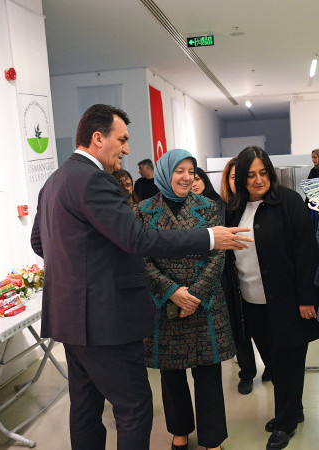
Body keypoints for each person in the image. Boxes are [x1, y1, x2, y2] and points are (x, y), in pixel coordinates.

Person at [30, 104, 251, 450]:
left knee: (85, 409)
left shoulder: (55, 181)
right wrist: (209, 237)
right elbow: (138, 239)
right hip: (104, 321)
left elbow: (39, 243)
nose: (127, 149)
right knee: (133, 408)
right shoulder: (94, 180)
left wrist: (82, 273)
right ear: (98, 138)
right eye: (122, 140)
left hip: (70, 319)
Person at [226, 146, 319, 450]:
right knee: (272, 361)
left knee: (288, 363)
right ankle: (293, 410)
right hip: (251, 303)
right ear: (241, 179)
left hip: (286, 302)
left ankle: (285, 423)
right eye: (251, 175)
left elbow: (306, 252)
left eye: (263, 173)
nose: (258, 180)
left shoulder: (289, 202)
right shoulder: (234, 209)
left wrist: (306, 298)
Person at [134, 149, 234, 450]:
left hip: (204, 303)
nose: (187, 177)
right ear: (165, 172)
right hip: (165, 303)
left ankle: (212, 438)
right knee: (172, 374)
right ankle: (179, 430)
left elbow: (218, 254)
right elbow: (140, 257)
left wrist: (195, 294)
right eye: (180, 171)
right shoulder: (143, 211)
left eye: (191, 171)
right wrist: (172, 292)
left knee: (208, 374)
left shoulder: (208, 206)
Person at [220, 158, 273, 395]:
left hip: (262, 288)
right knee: (241, 333)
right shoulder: (227, 210)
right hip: (234, 285)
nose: (237, 181)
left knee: (264, 333)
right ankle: (247, 373)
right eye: (233, 177)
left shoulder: (264, 206)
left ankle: (270, 366)